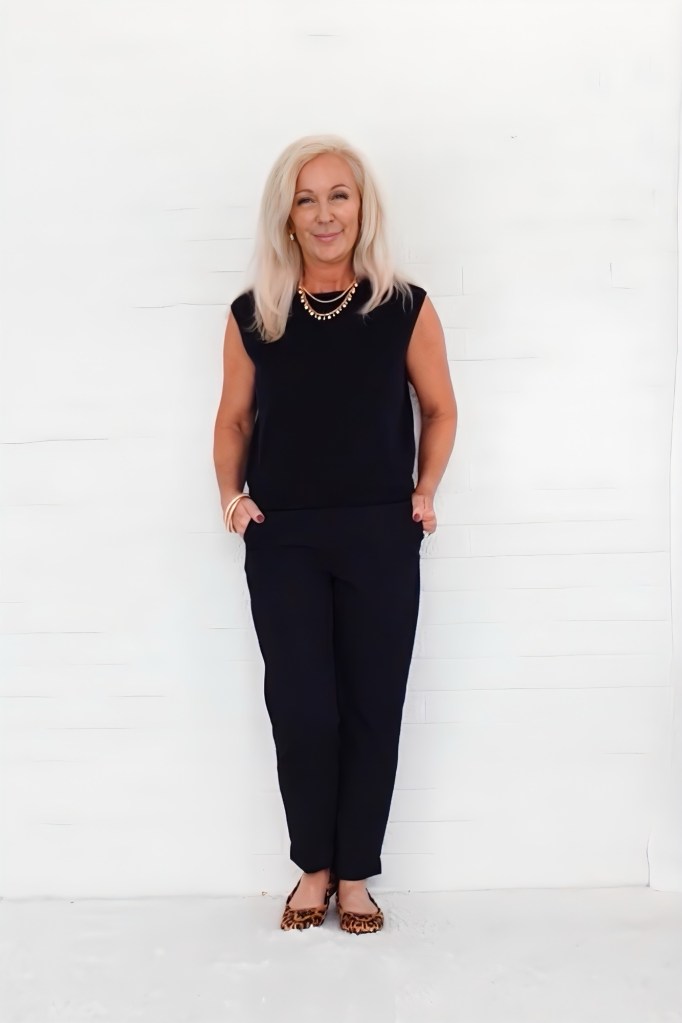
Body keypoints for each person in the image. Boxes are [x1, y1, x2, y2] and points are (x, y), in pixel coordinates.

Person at [213, 134, 457, 934]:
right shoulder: (255, 315)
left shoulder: (405, 307)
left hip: (380, 532)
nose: (324, 214)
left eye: (339, 196)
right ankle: (312, 866)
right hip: (283, 537)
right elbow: (233, 418)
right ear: (287, 216)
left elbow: (440, 408)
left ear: (362, 208)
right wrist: (231, 498)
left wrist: (424, 490)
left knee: (372, 704)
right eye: (307, 199)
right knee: (302, 707)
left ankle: (355, 874)